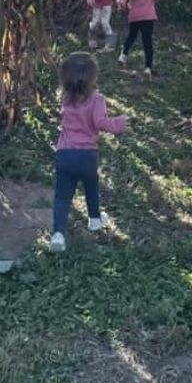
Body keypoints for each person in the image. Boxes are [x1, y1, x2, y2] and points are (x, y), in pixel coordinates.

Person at [50, 51, 128, 253]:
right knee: (91, 184)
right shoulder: (97, 99)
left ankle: (58, 234)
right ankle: (94, 219)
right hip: (87, 155)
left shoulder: (66, 99)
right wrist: (119, 123)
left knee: (62, 196)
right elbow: (100, 122)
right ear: (93, 77)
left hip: (64, 154)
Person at [117, 0, 168, 79]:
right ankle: (147, 68)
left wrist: (124, 4)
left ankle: (123, 55)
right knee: (147, 42)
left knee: (131, 36)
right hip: (148, 16)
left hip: (134, 16)